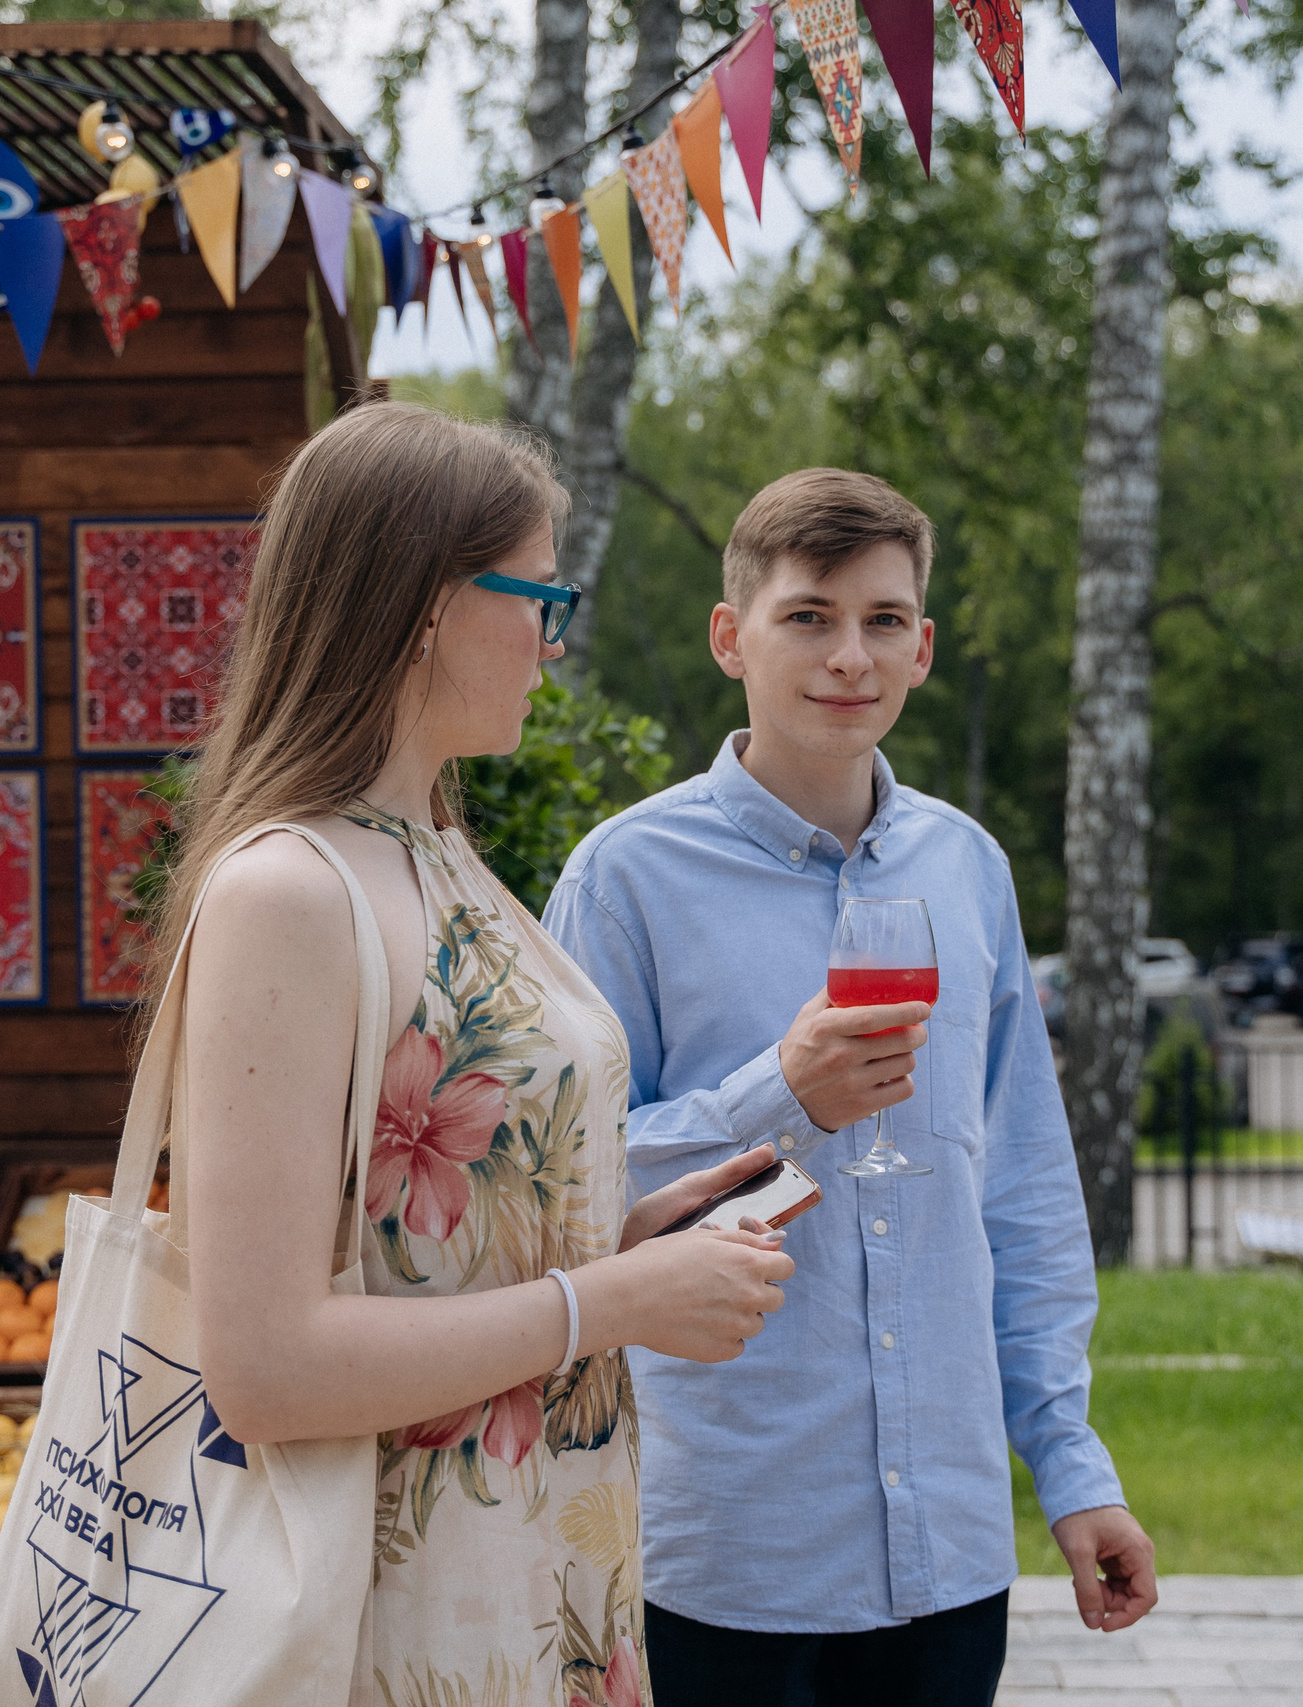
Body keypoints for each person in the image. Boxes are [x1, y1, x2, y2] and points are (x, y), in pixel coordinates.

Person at [159, 402, 794, 1707]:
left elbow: (420, 1251)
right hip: (391, 1617)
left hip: (537, 1566)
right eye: (538, 594)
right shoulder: (289, 888)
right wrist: (604, 1305)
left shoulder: (437, 848)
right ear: (428, 605)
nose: (552, 638)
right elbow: (265, 1365)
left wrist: (614, 1245)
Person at [543, 468, 1157, 1706]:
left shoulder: (968, 869)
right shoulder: (625, 879)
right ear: (733, 637)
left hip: (948, 1543)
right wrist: (779, 1096)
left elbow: (1022, 1188)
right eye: (809, 616)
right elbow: (562, 1184)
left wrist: (1073, 1467)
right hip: (727, 1540)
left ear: (922, 649)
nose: (849, 657)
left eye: (883, 621)